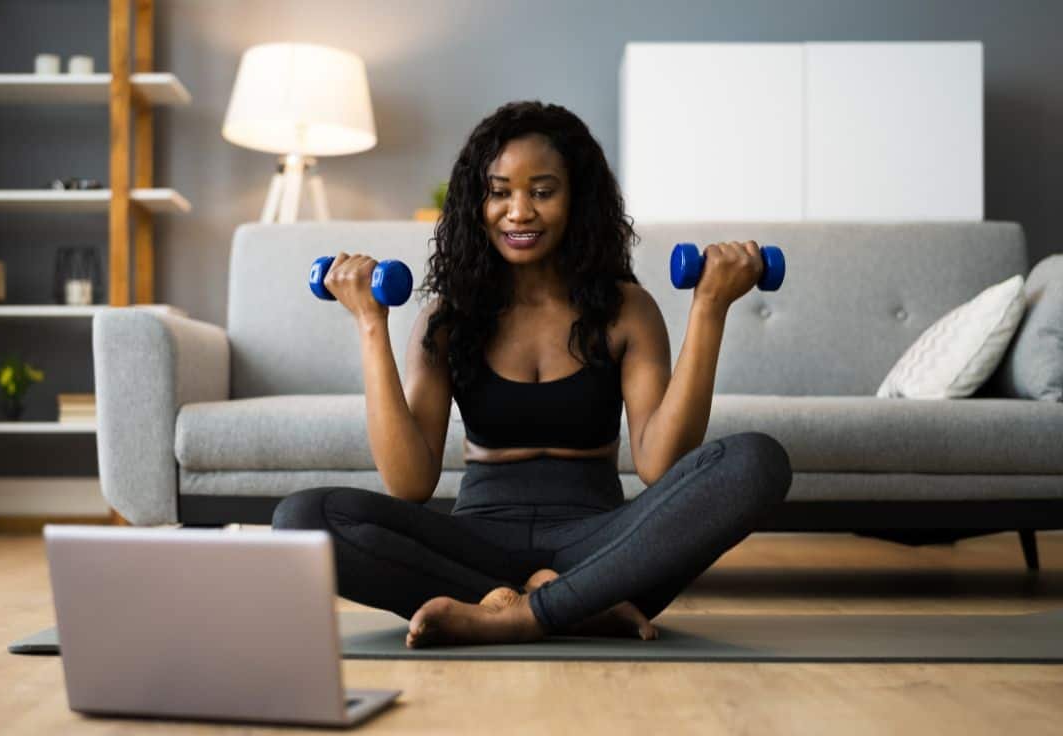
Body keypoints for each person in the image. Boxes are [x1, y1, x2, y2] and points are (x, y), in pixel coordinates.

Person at [273, 100, 792, 648]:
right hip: (477, 543)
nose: (518, 211)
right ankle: (574, 605)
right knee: (303, 517)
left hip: (602, 543)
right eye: (500, 192)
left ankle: (515, 615)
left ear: (578, 201)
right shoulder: (448, 318)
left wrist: (708, 308)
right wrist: (370, 323)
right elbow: (409, 483)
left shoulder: (626, 310)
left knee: (757, 461)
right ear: (478, 201)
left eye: (542, 192)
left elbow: (659, 463)